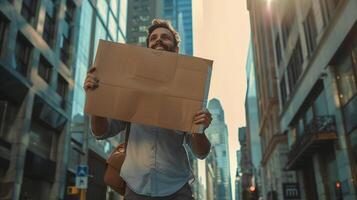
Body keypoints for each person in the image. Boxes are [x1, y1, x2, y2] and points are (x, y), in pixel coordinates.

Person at [84, 19, 212, 200]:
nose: (158, 40)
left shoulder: (190, 90)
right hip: (135, 188)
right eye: (153, 38)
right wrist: (96, 101)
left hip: (176, 188)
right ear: (148, 48)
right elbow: (101, 132)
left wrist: (200, 130)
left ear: (176, 49)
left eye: (165, 37)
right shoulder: (129, 86)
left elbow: (201, 152)